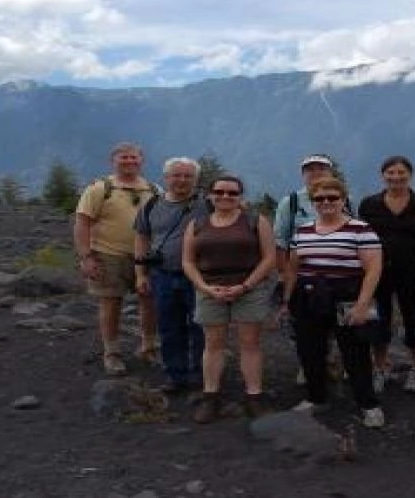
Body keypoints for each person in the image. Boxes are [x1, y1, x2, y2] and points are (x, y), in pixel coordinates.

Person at [282, 177, 385, 428]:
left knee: (355, 352)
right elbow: (293, 269)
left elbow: (373, 269)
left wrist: (363, 304)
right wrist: (287, 301)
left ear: (343, 199)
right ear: (312, 202)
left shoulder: (361, 229)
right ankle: (316, 397)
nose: (326, 202)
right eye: (319, 198)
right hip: (308, 297)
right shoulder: (303, 231)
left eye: (332, 197)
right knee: (310, 350)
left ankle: (368, 404)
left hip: (347, 296)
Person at [181, 176, 277, 422]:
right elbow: (188, 261)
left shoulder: (256, 221)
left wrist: (246, 286)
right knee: (213, 343)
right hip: (210, 288)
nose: (225, 196)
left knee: (250, 342)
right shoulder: (196, 224)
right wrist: (204, 287)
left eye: (232, 193)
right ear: (210, 195)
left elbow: (269, 258)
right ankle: (210, 396)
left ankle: (254, 396)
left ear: (240, 196)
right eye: (220, 192)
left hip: (249, 288)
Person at [73, 142, 160, 376]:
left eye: (134, 157)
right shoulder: (100, 188)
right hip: (108, 254)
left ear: (141, 160)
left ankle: (149, 347)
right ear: (113, 161)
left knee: (150, 302)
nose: (129, 161)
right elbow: (82, 223)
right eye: (124, 157)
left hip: (146, 256)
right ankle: (111, 352)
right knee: (111, 304)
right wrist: (86, 256)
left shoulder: (153, 190)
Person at [359, 156, 415, 394]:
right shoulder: (369, 204)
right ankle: (380, 368)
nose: (396, 177)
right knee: (378, 321)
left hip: (414, 270)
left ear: (410, 174)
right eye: (390, 172)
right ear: (383, 175)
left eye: (401, 172)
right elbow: (362, 236)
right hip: (377, 271)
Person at [134, 157, 210, 393]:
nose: (182, 180)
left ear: (196, 179)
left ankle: (201, 374)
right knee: (168, 327)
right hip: (162, 275)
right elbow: (141, 238)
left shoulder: (208, 203)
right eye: (176, 175)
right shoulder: (151, 205)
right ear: (166, 178)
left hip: (200, 277)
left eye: (188, 176)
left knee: (201, 327)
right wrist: (141, 274)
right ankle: (175, 375)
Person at [273, 154, 348, 383]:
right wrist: (283, 275)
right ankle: (308, 365)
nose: (316, 173)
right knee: (304, 325)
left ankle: (332, 360)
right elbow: (280, 242)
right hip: (302, 275)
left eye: (321, 168)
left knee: (337, 322)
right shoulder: (291, 202)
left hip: (340, 274)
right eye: (310, 169)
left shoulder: (345, 200)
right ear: (303, 174)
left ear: (330, 172)